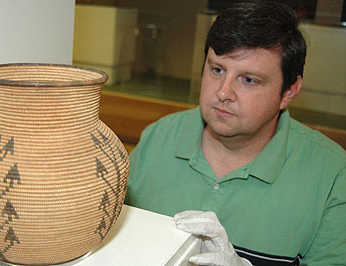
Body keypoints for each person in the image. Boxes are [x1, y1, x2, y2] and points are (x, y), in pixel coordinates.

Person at [124, 1, 346, 266]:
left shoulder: (333, 175)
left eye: (249, 80)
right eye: (217, 70)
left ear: (289, 92)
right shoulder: (157, 136)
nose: (223, 93)